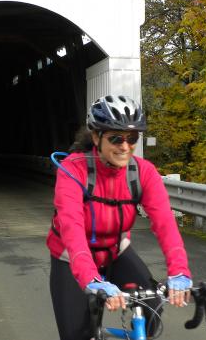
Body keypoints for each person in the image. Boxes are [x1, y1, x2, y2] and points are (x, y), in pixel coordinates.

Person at [47, 94, 193, 340]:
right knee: (76, 335)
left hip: (115, 250)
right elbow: (71, 228)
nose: (125, 146)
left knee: (151, 307)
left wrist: (179, 271)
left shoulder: (143, 172)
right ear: (96, 137)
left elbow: (165, 224)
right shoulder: (73, 169)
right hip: (69, 256)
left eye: (132, 138)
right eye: (115, 138)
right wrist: (90, 278)